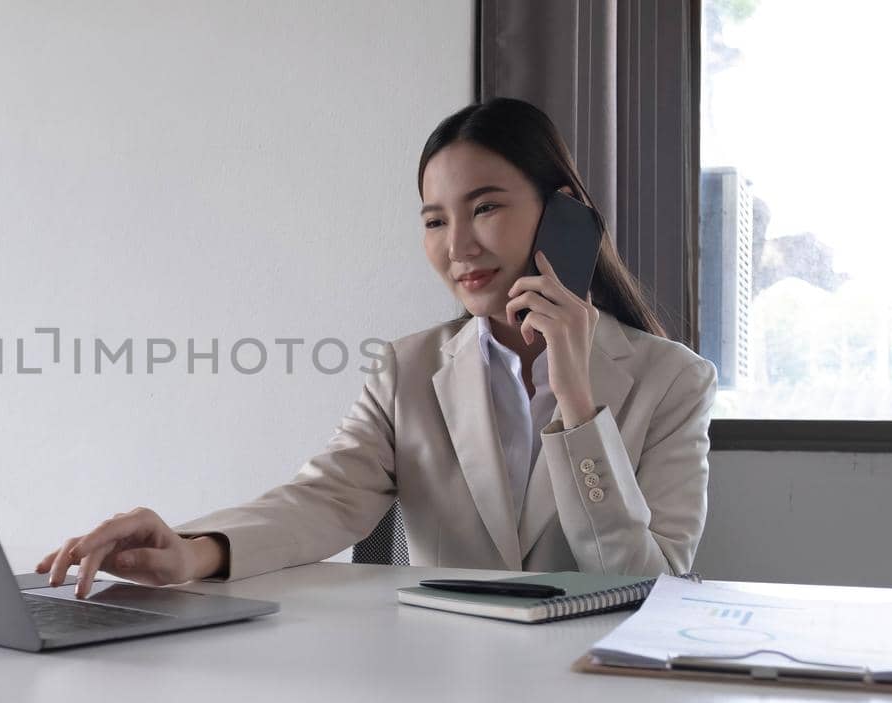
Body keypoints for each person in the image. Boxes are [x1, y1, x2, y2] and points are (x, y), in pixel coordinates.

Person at [37, 98, 716, 598]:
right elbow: (321, 500)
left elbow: (645, 582)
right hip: (444, 674)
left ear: (562, 213)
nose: (458, 248)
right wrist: (191, 549)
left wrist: (577, 403)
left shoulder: (673, 382)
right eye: (433, 220)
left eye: (485, 208)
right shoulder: (408, 369)